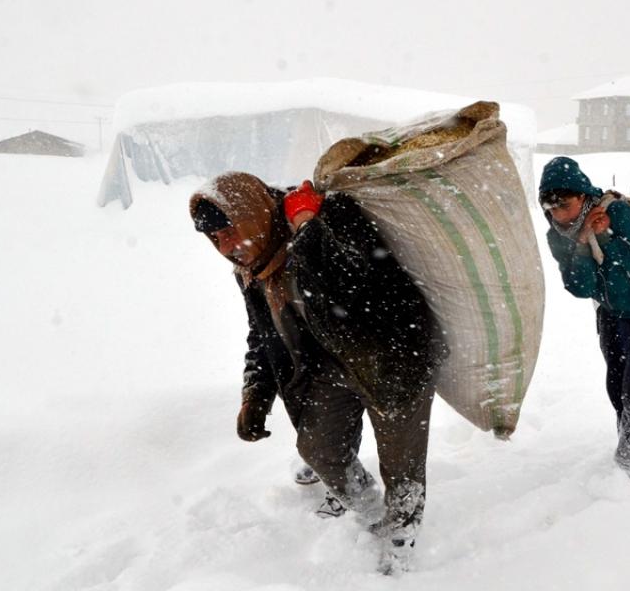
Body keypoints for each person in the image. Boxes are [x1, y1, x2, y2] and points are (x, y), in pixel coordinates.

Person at [189, 172, 444, 573]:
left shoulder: (326, 212)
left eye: (228, 231)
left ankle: (401, 540)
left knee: (402, 465)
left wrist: (307, 228)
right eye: (215, 240)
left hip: (395, 356)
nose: (227, 247)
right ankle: (371, 513)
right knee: (319, 450)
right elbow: (263, 333)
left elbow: (368, 280)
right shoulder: (254, 268)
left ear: (251, 214)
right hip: (332, 366)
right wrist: (255, 394)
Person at [538, 156, 630, 479]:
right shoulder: (557, 236)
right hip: (612, 314)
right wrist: (586, 243)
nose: (557, 212)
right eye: (550, 206)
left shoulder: (617, 213)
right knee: (617, 385)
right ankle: (628, 441)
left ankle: (628, 462)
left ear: (582, 195)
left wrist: (607, 239)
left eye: (564, 203)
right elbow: (579, 286)